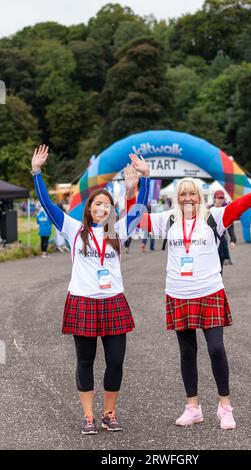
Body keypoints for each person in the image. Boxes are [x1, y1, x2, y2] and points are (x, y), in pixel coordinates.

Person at [137, 160, 251, 430]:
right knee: (187, 352)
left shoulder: (214, 217)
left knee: (216, 349)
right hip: (178, 293)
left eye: (192, 193)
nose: (188, 197)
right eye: (183, 194)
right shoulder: (169, 220)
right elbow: (137, 218)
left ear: (200, 197)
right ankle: (193, 407)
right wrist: (142, 181)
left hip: (209, 291)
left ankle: (225, 406)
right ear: (178, 198)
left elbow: (240, 205)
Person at [31, 144, 150, 435]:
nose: (102, 208)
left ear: (111, 210)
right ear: (89, 208)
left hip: (113, 301)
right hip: (82, 301)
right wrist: (36, 172)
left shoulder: (119, 231)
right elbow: (47, 204)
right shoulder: (74, 229)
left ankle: (109, 413)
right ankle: (88, 417)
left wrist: (145, 178)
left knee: (116, 361)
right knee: (85, 360)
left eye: (107, 205)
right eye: (98, 204)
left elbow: (140, 208)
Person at [211, 190, 237, 273]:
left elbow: (230, 227)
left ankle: (218, 281)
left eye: (222, 198)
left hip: (221, 240)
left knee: (220, 264)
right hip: (210, 240)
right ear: (214, 198)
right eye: (218, 198)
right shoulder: (209, 210)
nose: (220, 200)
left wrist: (232, 240)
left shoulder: (225, 210)